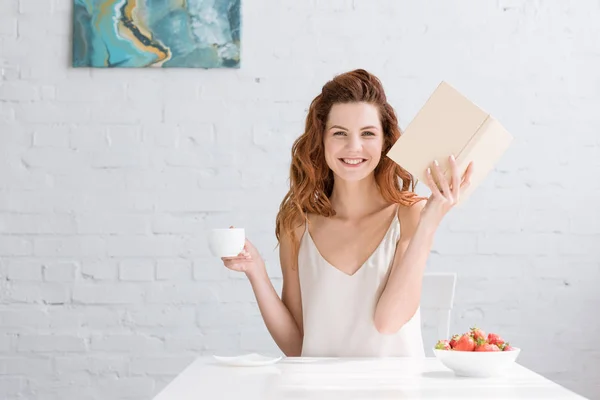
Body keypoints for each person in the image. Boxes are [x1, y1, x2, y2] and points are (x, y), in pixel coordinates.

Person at [221, 69, 474, 357]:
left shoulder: (411, 214)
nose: (354, 147)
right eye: (340, 133)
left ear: (385, 142)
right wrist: (256, 272)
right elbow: (296, 346)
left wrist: (429, 223)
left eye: (368, 133)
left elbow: (388, 321)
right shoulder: (298, 225)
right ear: (322, 140)